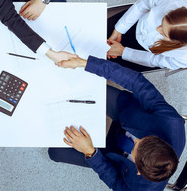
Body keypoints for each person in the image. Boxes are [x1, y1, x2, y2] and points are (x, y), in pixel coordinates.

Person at [49, 56, 186, 191]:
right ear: (160, 141)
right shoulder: (172, 122)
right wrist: (84, 63)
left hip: (115, 155)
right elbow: (137, 82)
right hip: (125, 111)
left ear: (138, 170)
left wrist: (90, 152)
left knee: (55, 153)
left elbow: (115, 182)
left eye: (135, 146)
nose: (135, 139)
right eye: (142, 139)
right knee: (82, 88)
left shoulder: (142, 189)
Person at [107, 0, 187, 72]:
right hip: (135, 21)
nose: (157, 29)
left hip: (144, 54)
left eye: (164, 33)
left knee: (110, 67)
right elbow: (143, 5)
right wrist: (118, 30)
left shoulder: (184, 58)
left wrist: (123, 52)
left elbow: (156, 60)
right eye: (162, 22)